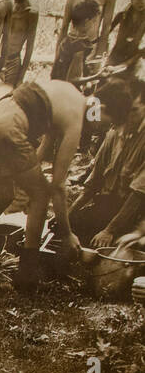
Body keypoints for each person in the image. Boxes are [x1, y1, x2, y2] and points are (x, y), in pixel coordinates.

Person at [0, 78, 86, 289]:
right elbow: (58, 186)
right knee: (41, 196)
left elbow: (42, 150)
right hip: (10, 127)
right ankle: (26, 277)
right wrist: (66, 233)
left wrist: (29, 175)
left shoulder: (66, 95)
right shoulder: (76, 117)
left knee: (3, 198)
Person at [71, 77, 145, 246]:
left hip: (137, 211)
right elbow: (93, 183)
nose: (128, 116)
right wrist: (67, 216)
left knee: (122, 248)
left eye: (134, 110)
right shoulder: (113, 133)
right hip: (109, 204)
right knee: (70, 228)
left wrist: (109, 231)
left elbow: (138, 194)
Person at [0, 0, 39, 87]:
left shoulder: (31, 13)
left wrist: (21, 76)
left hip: (14, 60)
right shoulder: (9, 6)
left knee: (7, 94)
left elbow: (29, 46)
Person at [107, 0, 145, 69]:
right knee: (106, 76)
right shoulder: (122, 15)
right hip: (116, 53)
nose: (143, 2)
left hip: (132, 56)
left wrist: (141, 53)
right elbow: (107, 31)